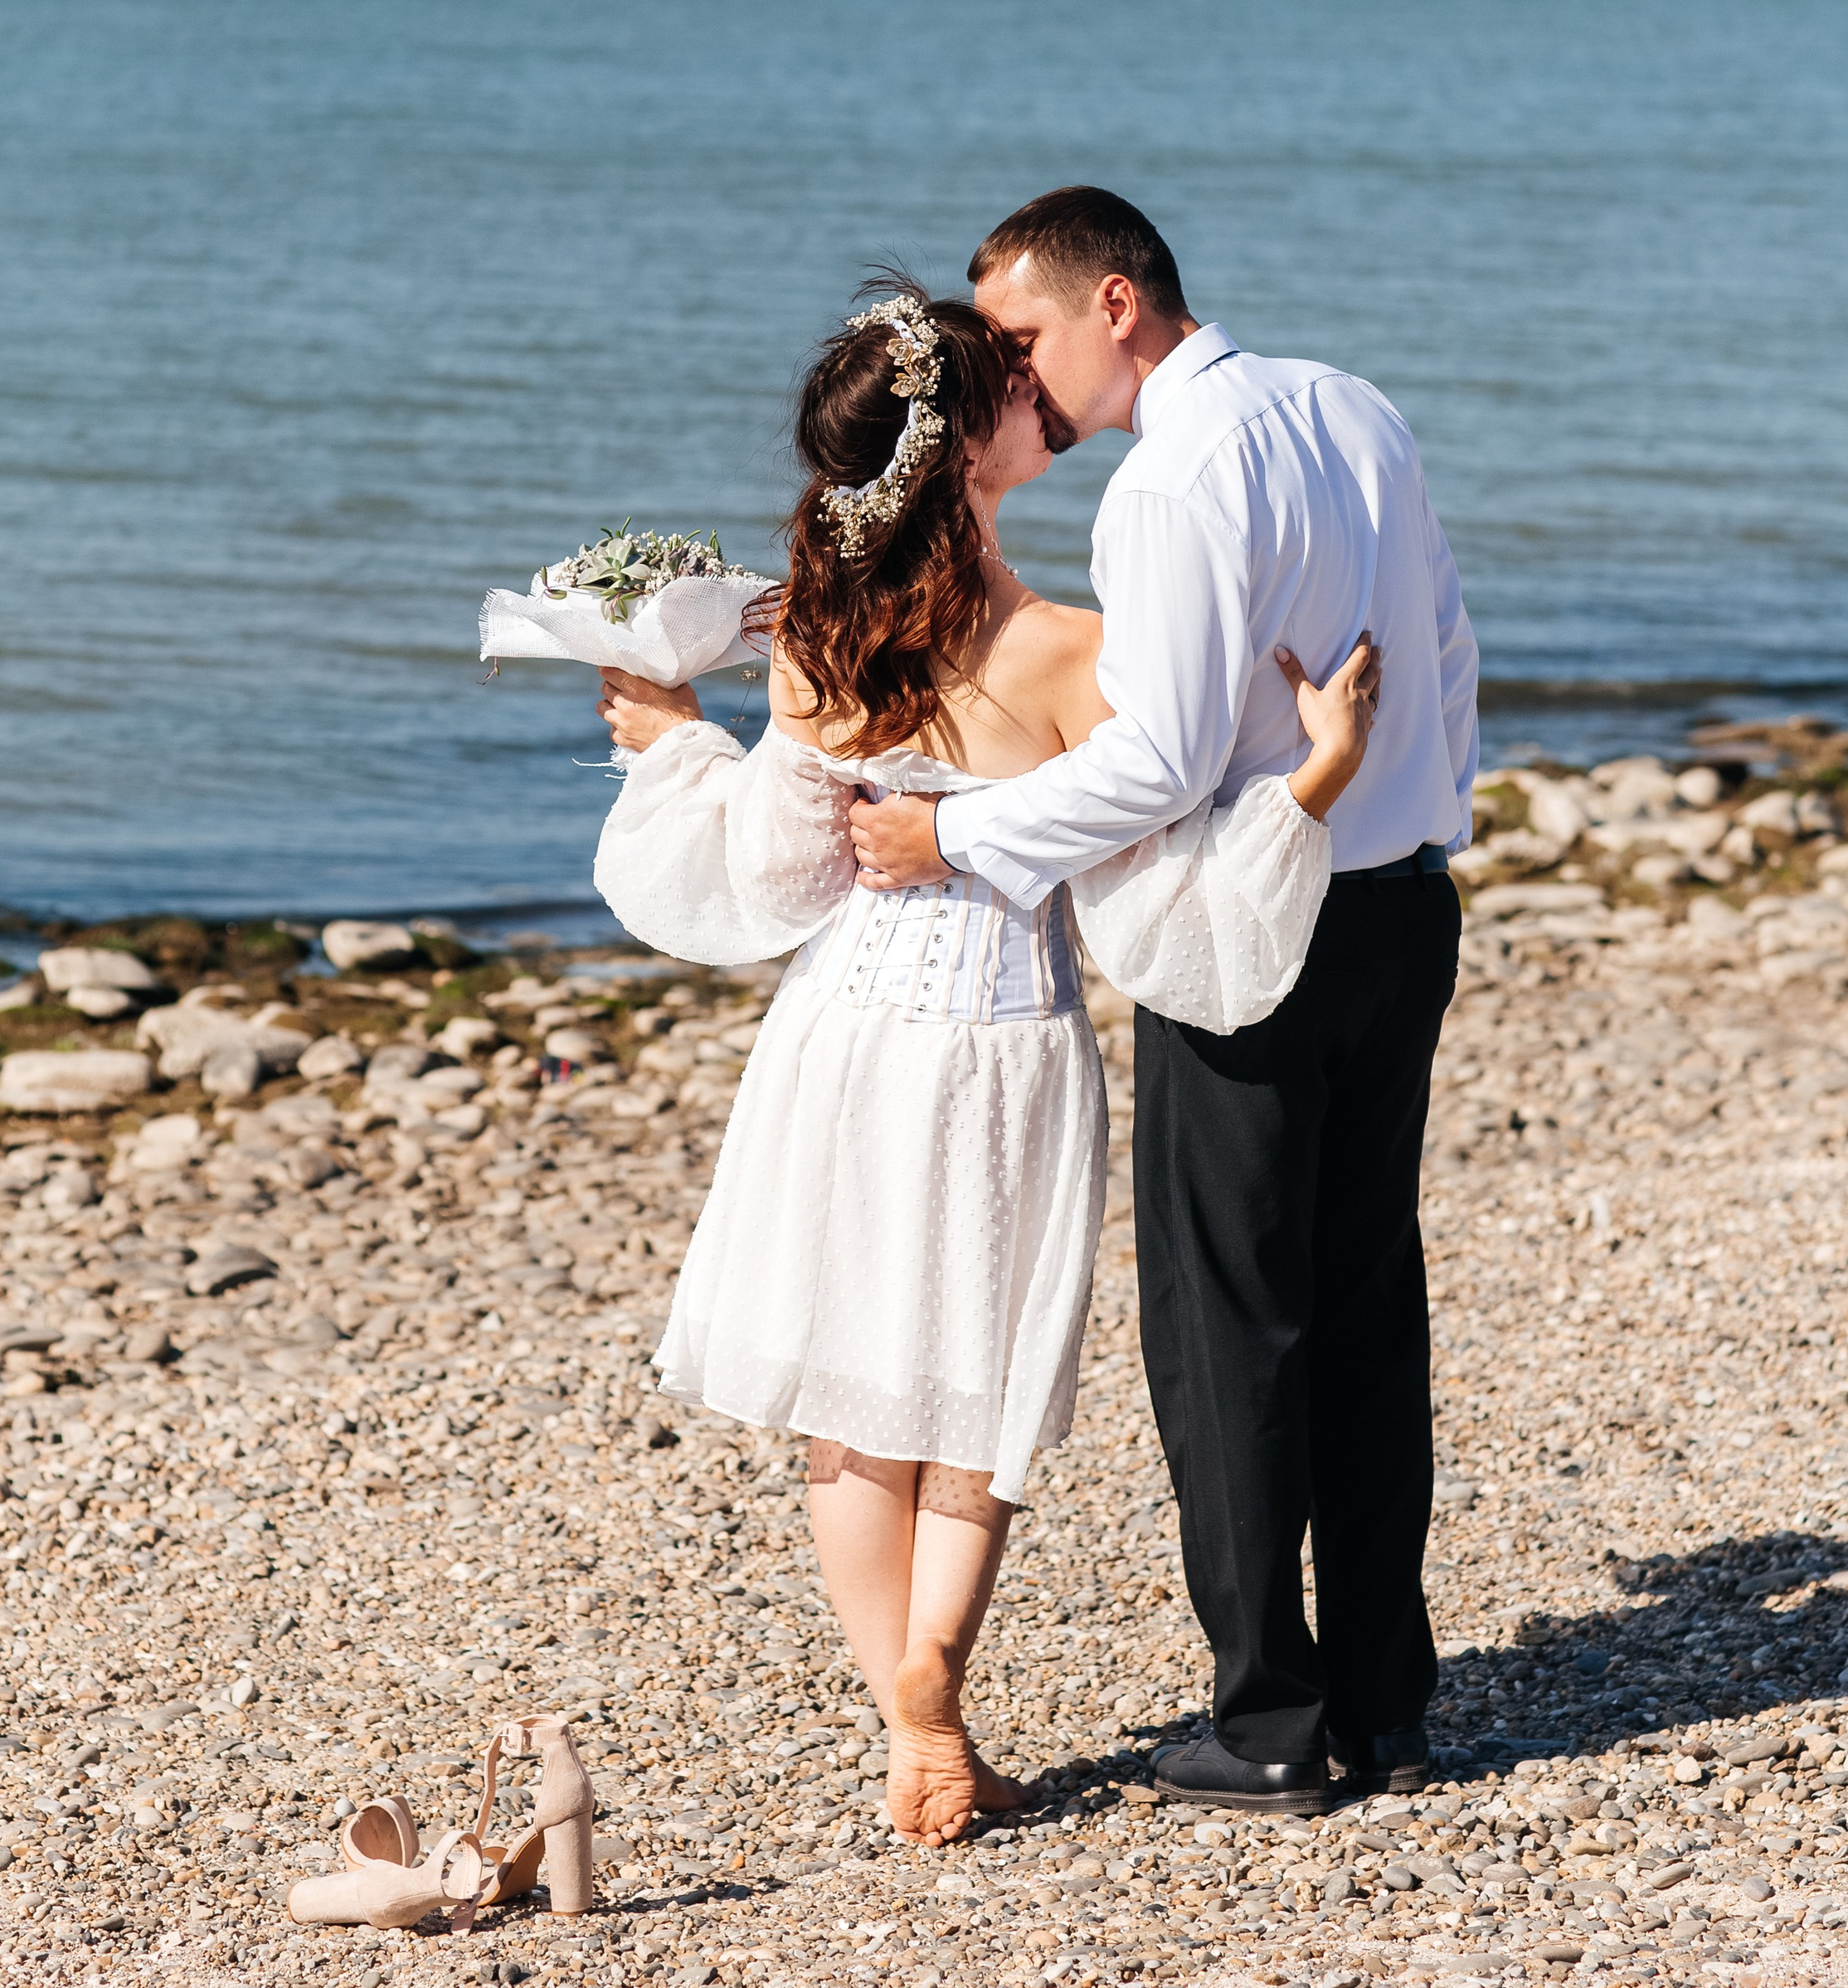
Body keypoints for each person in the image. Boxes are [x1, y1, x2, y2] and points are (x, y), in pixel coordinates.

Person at [590, 284, 1383, 1847]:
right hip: (1005, 1040)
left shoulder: (819, 635)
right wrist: (1323, 774)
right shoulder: (1072, 652)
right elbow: (1153, 885)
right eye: (1010, 382)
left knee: (846, 1392)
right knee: (975, 1386)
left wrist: (672, 742)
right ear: (974, 454)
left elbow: (780, 870)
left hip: (840, 1033)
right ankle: (932, 1696)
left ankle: (908, 1713)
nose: (1040, 391)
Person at [850, 191, 1479, 1815]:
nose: (1009, 372)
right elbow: (1449, 645)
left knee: (1229, 1332)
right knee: (1360, 1305)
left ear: (1112, 304)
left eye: (1020, 335)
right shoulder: (1356, 407)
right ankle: (1383, 1701)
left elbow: (1156, 759)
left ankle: (1267, 1723)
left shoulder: (1167, 479)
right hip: (1400, 909)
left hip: (1254, 932)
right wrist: (1424, 816)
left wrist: (953, 836)